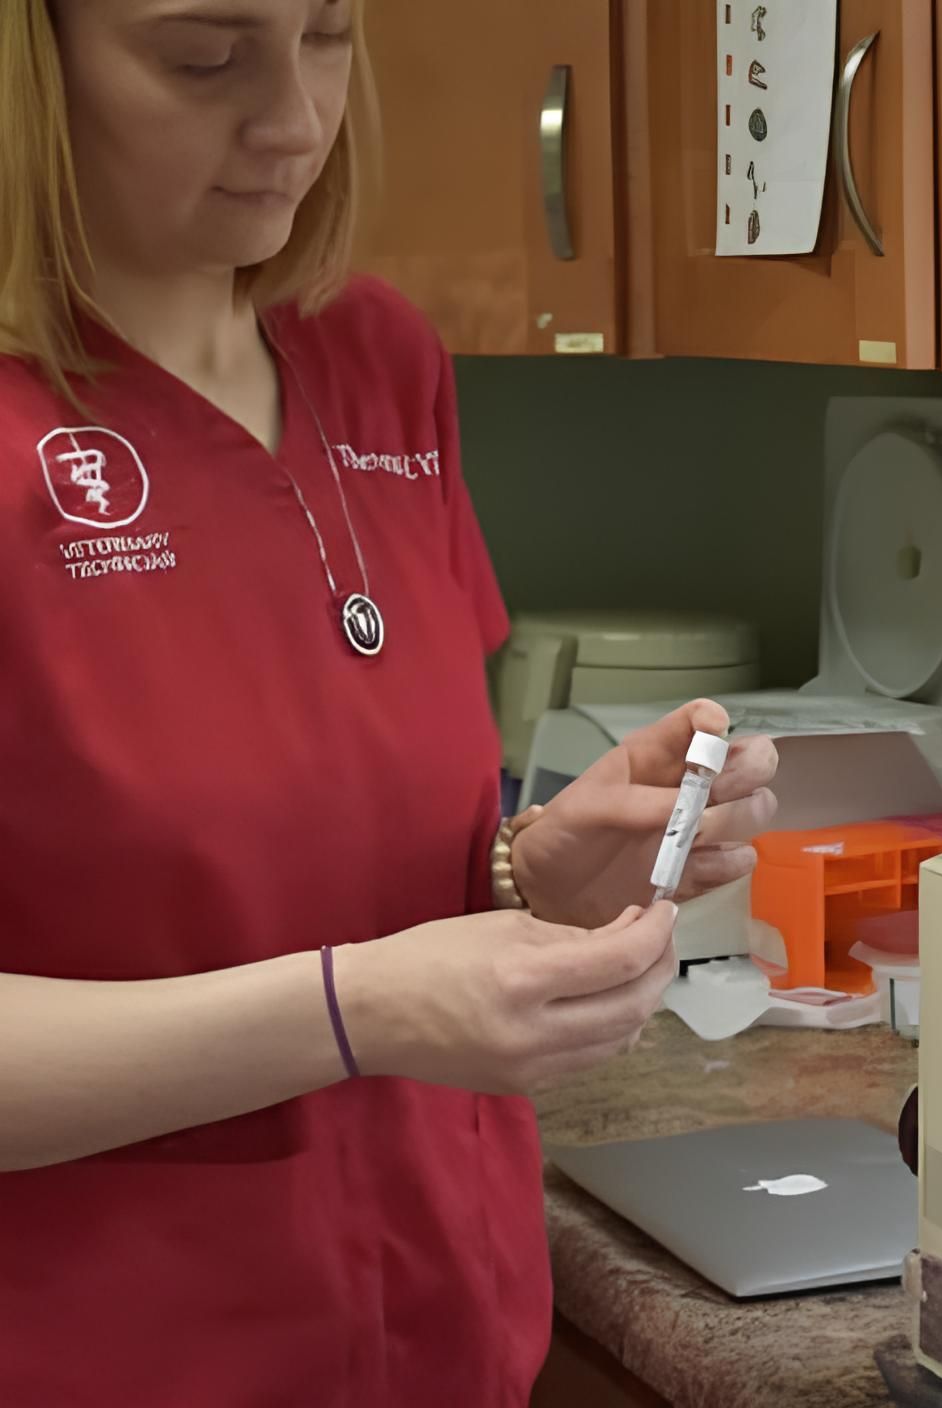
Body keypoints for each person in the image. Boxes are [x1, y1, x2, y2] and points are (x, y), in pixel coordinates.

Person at [0, 2, 779, 1404]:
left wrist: (528, 875)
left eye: (327, 36)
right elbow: (349, 987)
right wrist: (355, 1011)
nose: (295, 120)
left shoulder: (376, 361)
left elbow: (331, 855)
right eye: (203, 55)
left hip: (447, 1333)